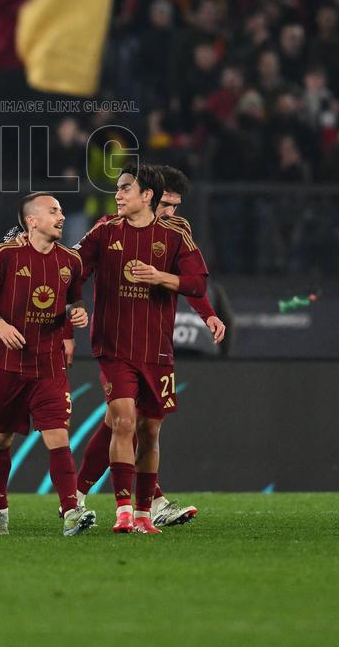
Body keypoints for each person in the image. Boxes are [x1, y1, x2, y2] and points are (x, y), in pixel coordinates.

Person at [73, 166, 226, 527]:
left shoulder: (176, 232)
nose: (170, 211)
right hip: (115, 341)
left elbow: (189, 281)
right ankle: (133, 505)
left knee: (132, 424)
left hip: (154, 344)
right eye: (167, 204)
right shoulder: (109, 229)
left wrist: (207, 315)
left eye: (175, 205)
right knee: (122, 419)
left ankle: (108, 499)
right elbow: (73, 269)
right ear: (151, 197)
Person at [0, 192, 96, 537]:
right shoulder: (5, 254)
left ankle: (72, 511)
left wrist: (78, 314)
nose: (62, 216)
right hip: (8, 364)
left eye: (61, 210)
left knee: (58, 436)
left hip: (48, 364)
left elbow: (73, 302)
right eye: (53, 211)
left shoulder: (71, 261)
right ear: (32, 220)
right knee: (0, 440)